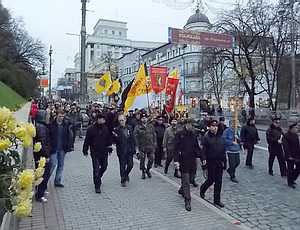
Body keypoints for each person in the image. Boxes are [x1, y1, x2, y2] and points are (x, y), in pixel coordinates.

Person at [175, 119, 206, 211]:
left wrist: (202, 158)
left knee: (191, 178)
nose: (192, 126)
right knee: (186, 181)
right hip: (183, 161)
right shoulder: (179, 134)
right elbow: (175, 148)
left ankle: (182, 190)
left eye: (192, 125)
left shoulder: (193, 134)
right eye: (190, 124)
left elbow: (197, 147)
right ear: (186, 124)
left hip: (192, 161)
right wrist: (176, 161)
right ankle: (187, 200)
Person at [83, 114, 113, 193]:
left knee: (104, 166)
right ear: (97, 119)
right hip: (95, 152)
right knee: (96, 169)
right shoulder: (91, 129)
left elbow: (109, 139)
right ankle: (97, 185)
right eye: (100, 119)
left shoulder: (106, 129)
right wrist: (85, 150)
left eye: (103, 119)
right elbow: (87, 140)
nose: (101, 120)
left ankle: (98, 177)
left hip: (104, 151)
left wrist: (110, 148)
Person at [200, 119, 226, 208]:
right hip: (210, 162)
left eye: (216, 126)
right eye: (212, 126)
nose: (214, 128)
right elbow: (203, 151)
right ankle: (202, 189)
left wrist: (224, 161)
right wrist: (204, 161)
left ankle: (217, 200)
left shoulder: (220, 136)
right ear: (209, 127)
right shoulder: (206, 137)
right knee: (211, 180)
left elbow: (223, 150)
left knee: (219, 181)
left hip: (219, 162)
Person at [49, 110, 73, 187]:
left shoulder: (66, 125)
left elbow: (69, 136)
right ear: (56, 115)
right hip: (54, 148)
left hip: (62, 148)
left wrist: (68, 146)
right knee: (53, 164)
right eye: (60, 116)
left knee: (61, 165)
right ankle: (45, 180)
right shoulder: (52, 124)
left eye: (63, 116)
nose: (61, 118)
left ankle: (57, 180)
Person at [33, 110, 51, 202]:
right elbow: (43, 143)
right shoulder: (42, 128)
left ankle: (41, 191)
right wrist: (46, 156)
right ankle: (40, 194)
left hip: (39, 155)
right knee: (44, 175)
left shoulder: (40, 126)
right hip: (42, 156)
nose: (49, 117)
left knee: (41, 174)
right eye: (47, 116)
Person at [113, 115, 135, 187]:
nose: (121, 122)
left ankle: (126, 174)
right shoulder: (116, 129)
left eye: (122, 120)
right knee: (122, 165)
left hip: (129, 150)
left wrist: (134, 149)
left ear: (125, 120)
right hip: (121, 150)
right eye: (120, 121)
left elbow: (132, 139)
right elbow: (115, 140)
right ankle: (123, 179)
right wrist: (115, 136)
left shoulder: (129, 128)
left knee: (130, 165)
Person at [134, 113, 157, 179]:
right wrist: (137, 148)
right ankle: (143, 172)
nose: (144, 119)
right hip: (142, 146)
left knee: (152, 159)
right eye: (143, 118)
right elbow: (135, 137)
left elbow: (154, 135)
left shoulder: (151, 126)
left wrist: (155, 143)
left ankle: (148, 170)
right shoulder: (137, 127)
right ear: (141, 119)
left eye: (145, 118)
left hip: (150, 146)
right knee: (142, 160)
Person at [283, 123, 300, 188]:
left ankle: (293, 178)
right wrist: (288, 156)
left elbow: (298, 146)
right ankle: (290, 182)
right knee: (290, 169)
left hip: (296, 155)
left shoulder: (296, 135)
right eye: (296, 128)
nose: (297, 129)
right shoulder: (286, 136)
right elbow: (285, 147)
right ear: (291, 128)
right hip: (290, 156)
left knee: (298, 168)